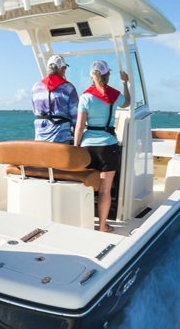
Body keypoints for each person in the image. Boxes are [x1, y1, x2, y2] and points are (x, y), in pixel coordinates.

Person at [74, 59, 130, 232]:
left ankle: (84, 223)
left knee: (86, 187)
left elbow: (80, 126)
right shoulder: (114, 95)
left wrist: (76, 148)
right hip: (108, 146)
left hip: (87, 148)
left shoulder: (85, 97)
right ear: (107, 75)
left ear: (92, 77)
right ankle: (102, 226)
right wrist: (125, 83)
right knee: (105, 190)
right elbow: (127, 102)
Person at [31, 55, 78, 144]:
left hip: (40, 139)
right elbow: (75, 117)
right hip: (61, 139)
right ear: (63, 69)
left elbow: (35, 112)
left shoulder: (35, 87)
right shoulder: (69, 88)